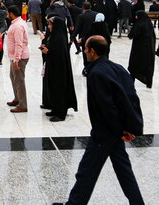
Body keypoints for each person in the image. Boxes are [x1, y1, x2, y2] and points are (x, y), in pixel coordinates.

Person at [54, 36, 144, 205]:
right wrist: (127, 127)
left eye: (86, 48)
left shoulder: (96, 73)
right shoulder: (117, 68)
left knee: (87, 171)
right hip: (113, 131)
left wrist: (119, 131)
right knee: (123, 172)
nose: (85, 51)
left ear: (92, 51)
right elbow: (131, 97)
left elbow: (107, 108)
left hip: (105, 133)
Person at [40, 17, 77, 122]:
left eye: (50, 24)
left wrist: (48, 52)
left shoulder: (59, 38)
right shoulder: (54, 36)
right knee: (53, 89)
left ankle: (60, 113)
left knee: (59, 90)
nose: (49, 26)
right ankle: (55, 109)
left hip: (59, 70)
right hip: (53, 67)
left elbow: (58, 55)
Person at [5, 5, 30, 113]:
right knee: (13, 77)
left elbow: (19, 44)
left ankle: (23, 105)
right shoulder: (17, 23)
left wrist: (16, 59)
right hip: (15, 57)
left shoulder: (18, 26)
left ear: (11, 13)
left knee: (19, 80)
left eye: (7, 13)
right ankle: (17, 99)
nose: (7, 15)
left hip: (19, 57)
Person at [127, 10, 155, 88]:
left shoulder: (139, 24)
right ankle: (148, 83)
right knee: (148, 67)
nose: (136, 17)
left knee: (134, 65)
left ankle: (131, 82)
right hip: (149, 50)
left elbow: (131, 35)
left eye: (137, 16)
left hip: (138, 50)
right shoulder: (149, 25)